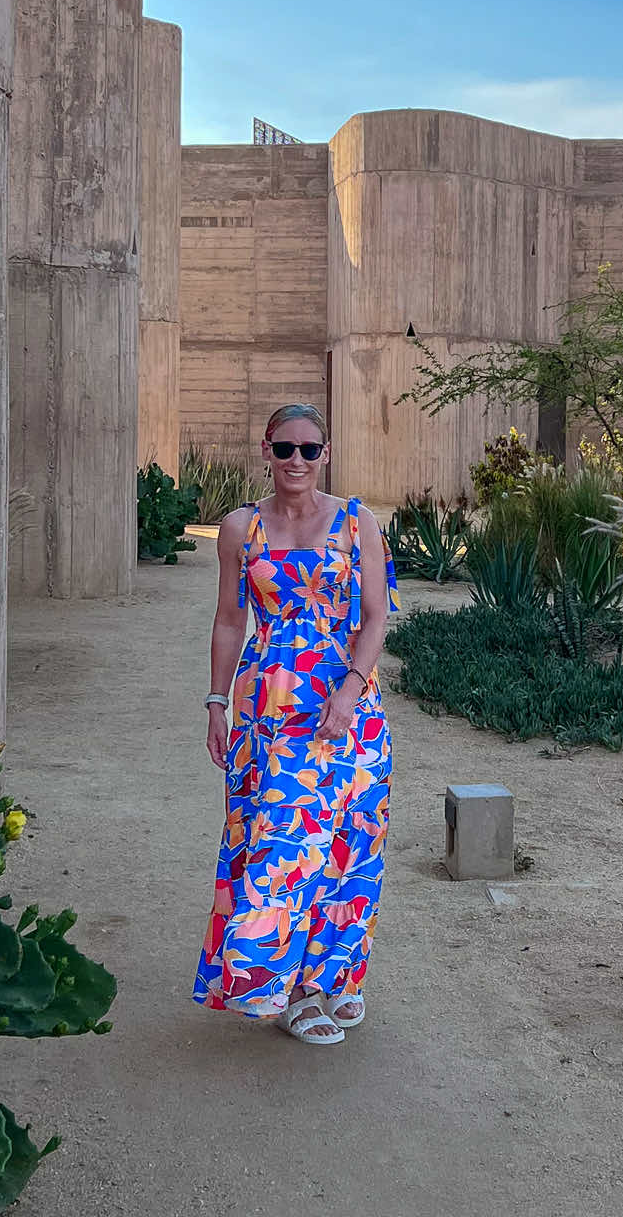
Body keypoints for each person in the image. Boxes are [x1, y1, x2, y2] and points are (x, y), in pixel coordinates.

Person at [191, 403, 395, 1045]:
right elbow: (230, 619)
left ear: (327, 453)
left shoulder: (361, 522)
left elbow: (376, 618)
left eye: (310, 449)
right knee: (281, 848)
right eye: (285, 449)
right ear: (267, 450)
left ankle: (335, 980)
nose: (298, 461)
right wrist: (217, 701)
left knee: (348, 850)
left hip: (349, 712)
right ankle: (288, 993)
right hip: (267, 712)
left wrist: (349, 692)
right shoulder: (238, 528)